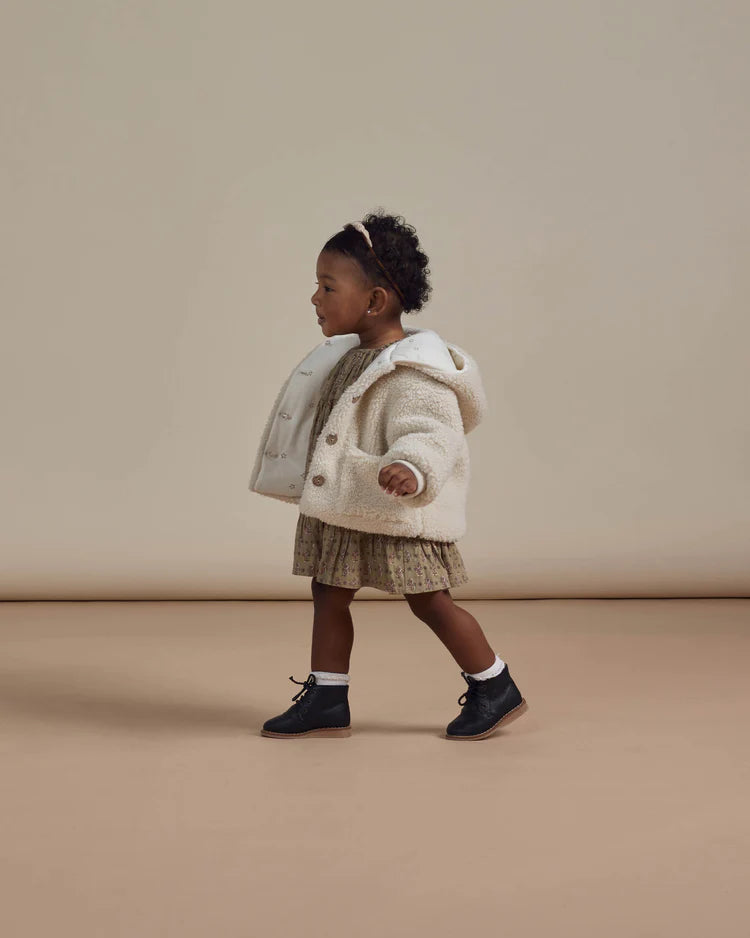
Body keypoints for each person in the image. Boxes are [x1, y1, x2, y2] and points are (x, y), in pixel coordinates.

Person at [249, 209, 528, 740]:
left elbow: (433, 429)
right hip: (348, 503)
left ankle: (495, 684)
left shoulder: (414, 368)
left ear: (375, 300)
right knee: (329, 591)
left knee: (429, 599)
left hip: (392, 505)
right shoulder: (347, 357)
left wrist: (413, 467)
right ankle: (328, 694)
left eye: (327, 287)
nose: (315, 298)